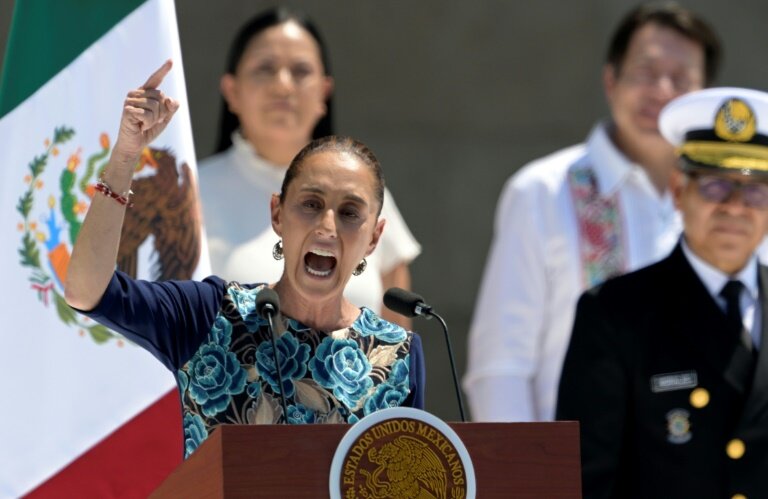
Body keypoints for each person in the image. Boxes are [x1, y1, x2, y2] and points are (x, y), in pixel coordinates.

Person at [64, 61, 425, 458]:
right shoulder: (208, 314)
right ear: (277, 214)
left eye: (350, 213)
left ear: (374, 237)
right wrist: (125, 158)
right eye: (311, 204)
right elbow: (87, 291)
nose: (327, 226)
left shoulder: (397, 353)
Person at [463, 3, 722, 422]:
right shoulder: (543, 192)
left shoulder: (732, 203)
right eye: (646, 71)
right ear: (610, 80)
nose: (662, 90)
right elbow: (501, 367)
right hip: (576, 475)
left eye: (681, 78)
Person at [557, 86, 768, 498]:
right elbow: (588, 479)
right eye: (714, 186)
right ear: (678, 190)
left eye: (755, 190)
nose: (735, 207)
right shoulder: (614, 314)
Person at [197, 8, 421, 328]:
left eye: (300, 71)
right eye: (265, 69)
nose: (283, 86)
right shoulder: (188, 193)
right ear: (231, 91)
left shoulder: (364, 193)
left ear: (324, 92)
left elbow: (396, 344)